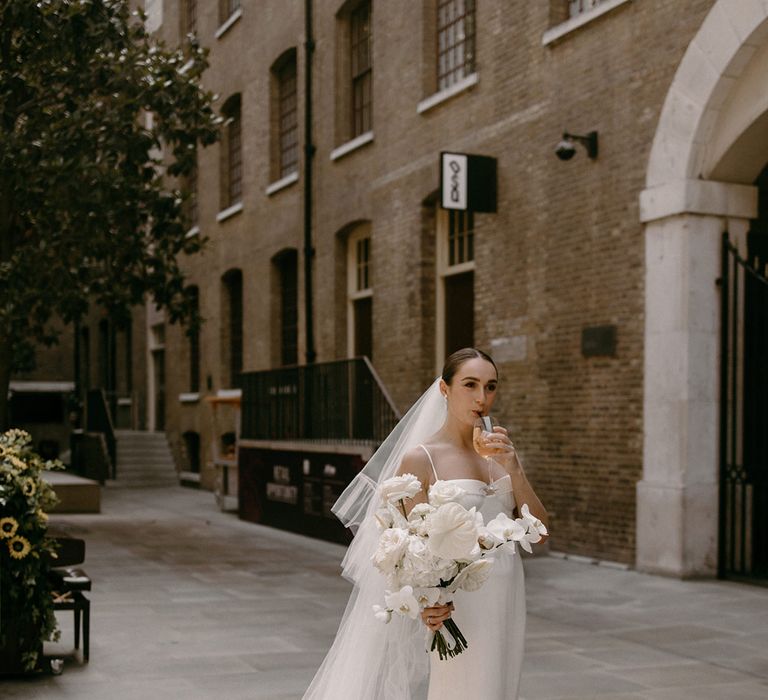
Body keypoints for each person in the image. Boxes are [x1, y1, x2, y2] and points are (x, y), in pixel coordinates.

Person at [302, 348, 549, 700]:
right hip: (460, 604)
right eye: (470, 385)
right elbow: (407, 548)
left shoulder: (501, 454)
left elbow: (540, 532)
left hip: (507, 595)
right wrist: (427, 602)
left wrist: (515, 470)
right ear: (445, 390)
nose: (482, 398)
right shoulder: (421, 458)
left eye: (491, 387)